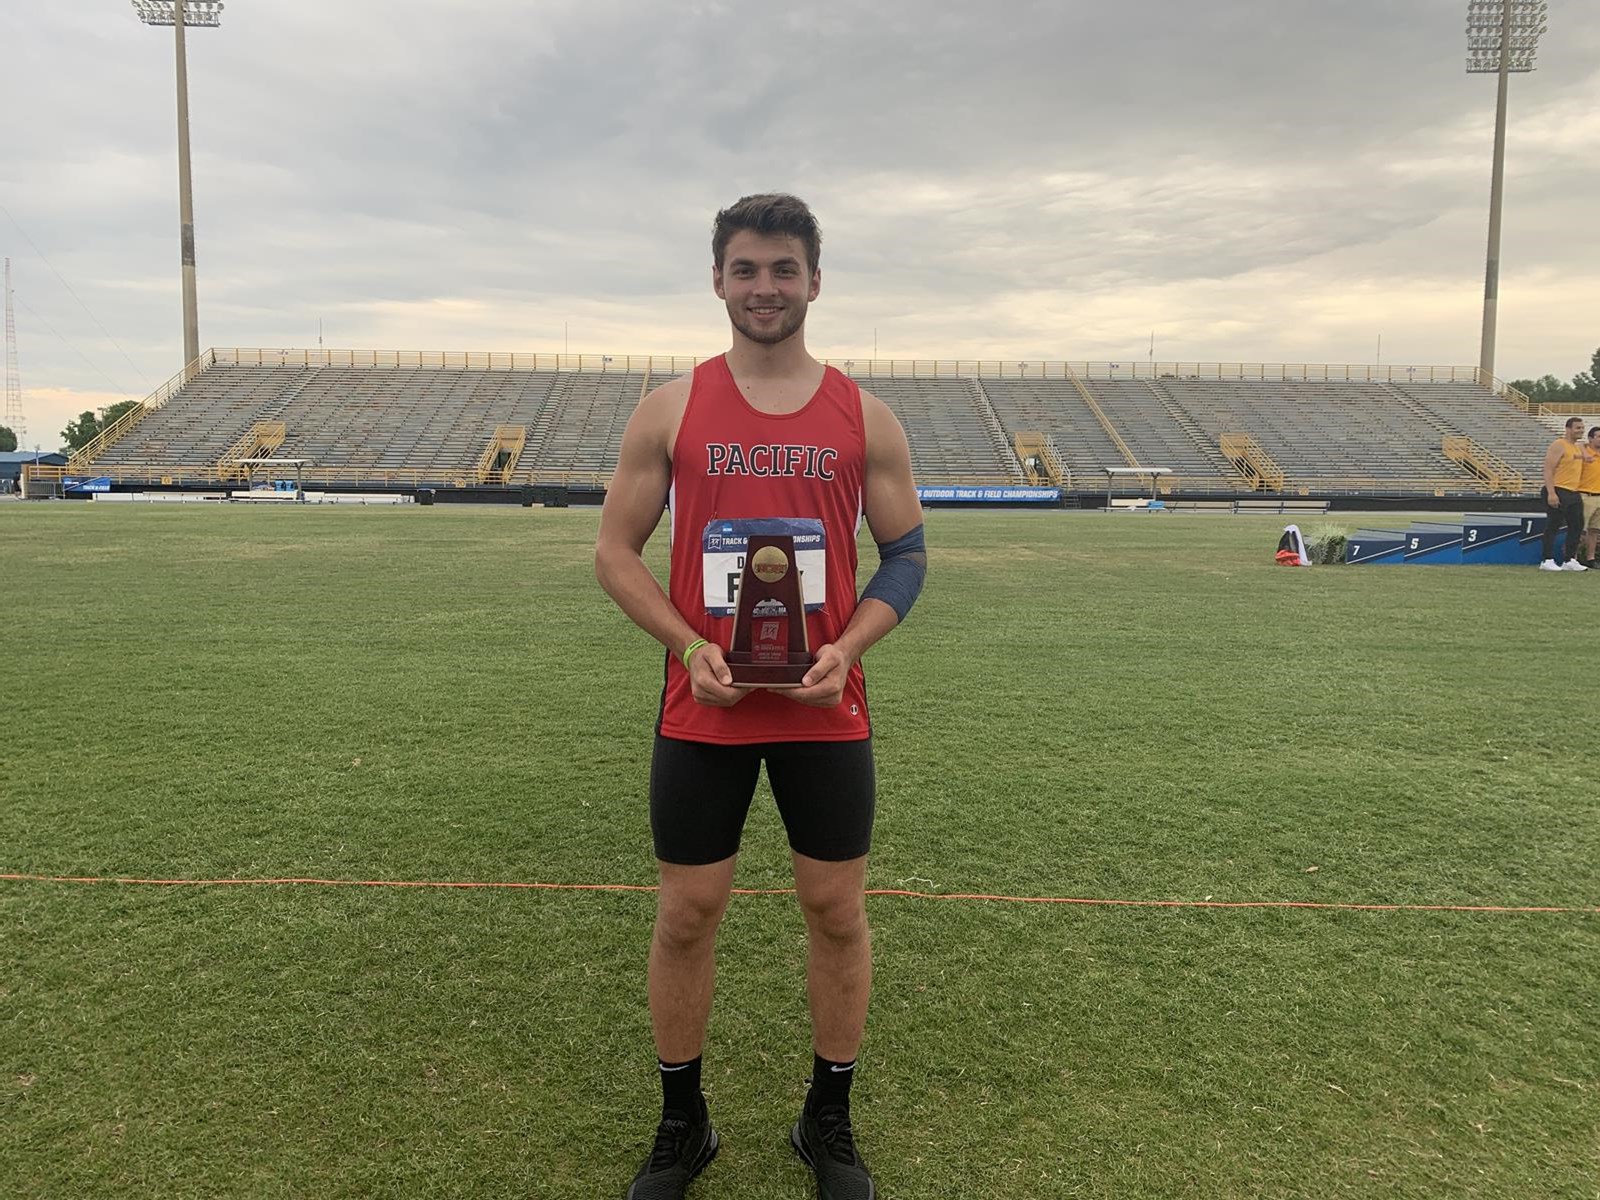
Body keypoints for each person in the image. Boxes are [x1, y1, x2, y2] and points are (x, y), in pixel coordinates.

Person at [595, 193, 926, 1200]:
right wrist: (690, 644)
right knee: (687, 913)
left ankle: (827, 1118)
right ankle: (682, 1123)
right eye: (746, 269)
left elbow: (906, 555)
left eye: (784, 269)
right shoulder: (671, 408)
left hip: (827, 709)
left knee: (836, 910)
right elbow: (615, 554)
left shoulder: (864, 416)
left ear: (814, 281)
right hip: (706, 707)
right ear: (718, 281)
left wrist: (850, 645)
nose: (765, 287)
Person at [1539, 416, 1588, 572]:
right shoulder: (1559, 445)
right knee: (1553, 525)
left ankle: (1569, 559)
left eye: (1582, 428)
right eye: (1577, 428)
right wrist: (1551, 492)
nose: (1581, 430)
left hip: (1573, 491)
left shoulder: (1577, 447)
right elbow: (1548, 469)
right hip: (1558, 488)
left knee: (1577, 525)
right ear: (1568, 429)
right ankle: (1547, 559)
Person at [1578, 426, 1600, 570]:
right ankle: (1572, 557)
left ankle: (1590, 558)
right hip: (1585, 494)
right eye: (1598, 436)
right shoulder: (1583, 454)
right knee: (1579, 529)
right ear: (1590, 438)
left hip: (1599, 496)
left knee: (1594, 530)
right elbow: (1575, 446)